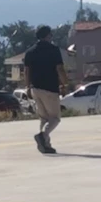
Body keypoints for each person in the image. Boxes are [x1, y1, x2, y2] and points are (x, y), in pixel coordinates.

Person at [23, 25, 70, 154]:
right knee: (55, 118)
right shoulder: (53, 50)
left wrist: (27, 87)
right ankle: (43, 136)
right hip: (50, 88)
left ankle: (46, 145)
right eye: (51, 35)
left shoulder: (30, 52)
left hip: (35, 88)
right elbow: (59, 68)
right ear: (48, 35)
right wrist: (65, 83)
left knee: (44, 118)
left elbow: (26, 72)